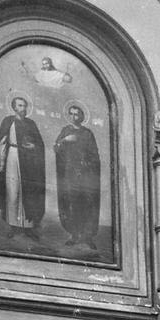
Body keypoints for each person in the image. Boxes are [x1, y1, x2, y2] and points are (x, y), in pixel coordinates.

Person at [0, 95, 45, 236]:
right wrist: (2, 163)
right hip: (13, 156)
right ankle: (14, 226)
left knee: (28, 192)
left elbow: (39, 144)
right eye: (20, 106)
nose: (23, 109)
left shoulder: (31, 124)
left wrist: (33, 147)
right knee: (13, 191)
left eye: (24, 106)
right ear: (14, 107)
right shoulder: (8, 121)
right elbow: (2, 143)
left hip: (29, 162)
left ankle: (29, 227)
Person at [54, 102, 102, 250]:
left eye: (77, 114)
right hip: (70, 175)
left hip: (86, 175)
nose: (75, 117)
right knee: (72, 203)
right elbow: (56, 148)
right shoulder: (65, 131)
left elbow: (95, 155)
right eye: (72, 114)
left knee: (87, 204)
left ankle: (87, 236)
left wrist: (87, 165)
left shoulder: (87, 133)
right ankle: (74, 235)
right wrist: (64, 141)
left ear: (82, 116)